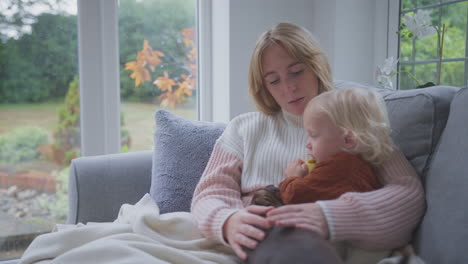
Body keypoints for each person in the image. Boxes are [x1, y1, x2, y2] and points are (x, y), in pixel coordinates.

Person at [190, 22, 424, 263]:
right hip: (259, 236)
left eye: (296, 71)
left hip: (332, 242)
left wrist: (329, 216)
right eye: (274, 80)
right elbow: (210, 191)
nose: (289, 87)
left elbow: (407, 192)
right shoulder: (243, 128)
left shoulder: (352, 118)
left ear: (316, 66)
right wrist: (228, 221)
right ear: (264, 87)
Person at [252, 87, 392, 207]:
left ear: (348, 139)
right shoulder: (361, 167)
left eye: (313, 135)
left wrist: (293, 177)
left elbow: (295, 196)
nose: (307, 144)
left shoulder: (340, 165)